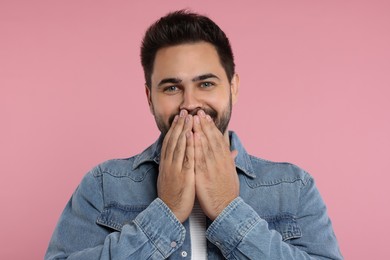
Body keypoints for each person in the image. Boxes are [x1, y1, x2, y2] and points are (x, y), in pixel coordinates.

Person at [45, 10, 343, 260]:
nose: (189, 103)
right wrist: (166, 213)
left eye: (206, 84)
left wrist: (229, 211)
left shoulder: (293, 187)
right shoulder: (103, 185)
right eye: (171, 88)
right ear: (150, 98)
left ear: (233, 88)